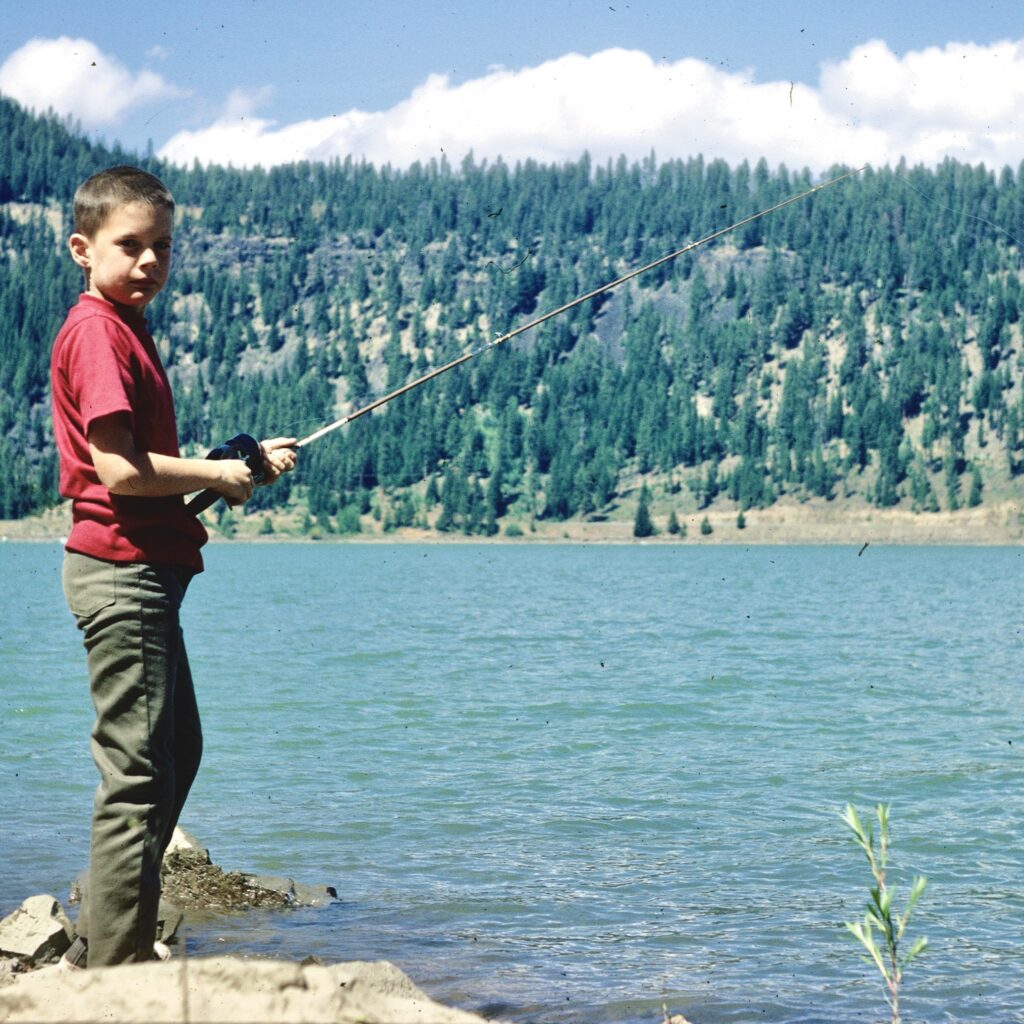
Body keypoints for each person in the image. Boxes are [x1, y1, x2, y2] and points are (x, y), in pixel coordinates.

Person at [50, 165, 297, 968]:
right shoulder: (95, 331)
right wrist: (215, 475)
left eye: (162, 247)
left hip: (137, 569)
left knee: (174, 753)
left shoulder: (125, 327)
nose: (150, 262)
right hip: (122, 578)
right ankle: (113, 974)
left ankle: (109, 937)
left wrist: (233, 468)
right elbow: (119, 474)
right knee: (138, 777)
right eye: (131, 246)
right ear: (83, 250)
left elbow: (136, 484)